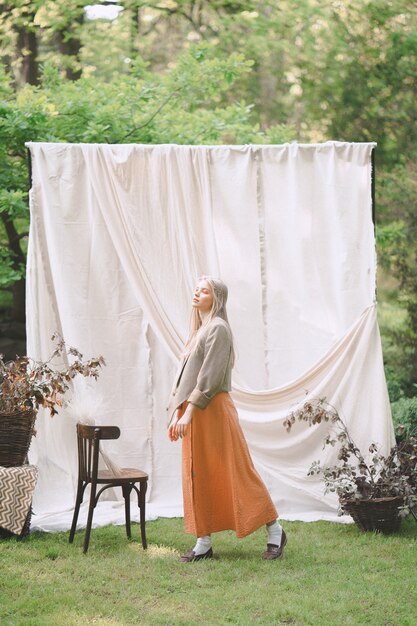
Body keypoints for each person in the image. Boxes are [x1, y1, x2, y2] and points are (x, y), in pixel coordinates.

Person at [167, 276, 287, 562]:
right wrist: (176, 411)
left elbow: (209, 379)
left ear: (217, 298)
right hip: (193, 413)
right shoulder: (200, 329)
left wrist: (188, 412)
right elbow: (186, 378)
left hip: (214, 412)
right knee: (196, 474)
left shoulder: (218, 329)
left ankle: (275, 530)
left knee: (235, 472)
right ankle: (203, 542)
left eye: (204, 290)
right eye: (196, 289)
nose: (197, 293)